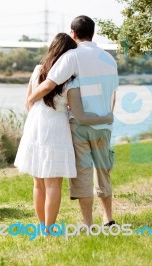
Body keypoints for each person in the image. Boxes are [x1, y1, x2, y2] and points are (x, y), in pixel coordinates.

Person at [26, 15, 119, 227]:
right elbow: (113, 93)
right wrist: (108, 117)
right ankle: (109, 218)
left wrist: (31, 99)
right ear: (93, 32)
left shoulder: (72, 56)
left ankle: (88, 224)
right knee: (103, 171)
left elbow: (50, 83)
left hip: (80, 124)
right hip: (104, 125)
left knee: (83, 176)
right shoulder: (109, 59)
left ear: (73, 33)